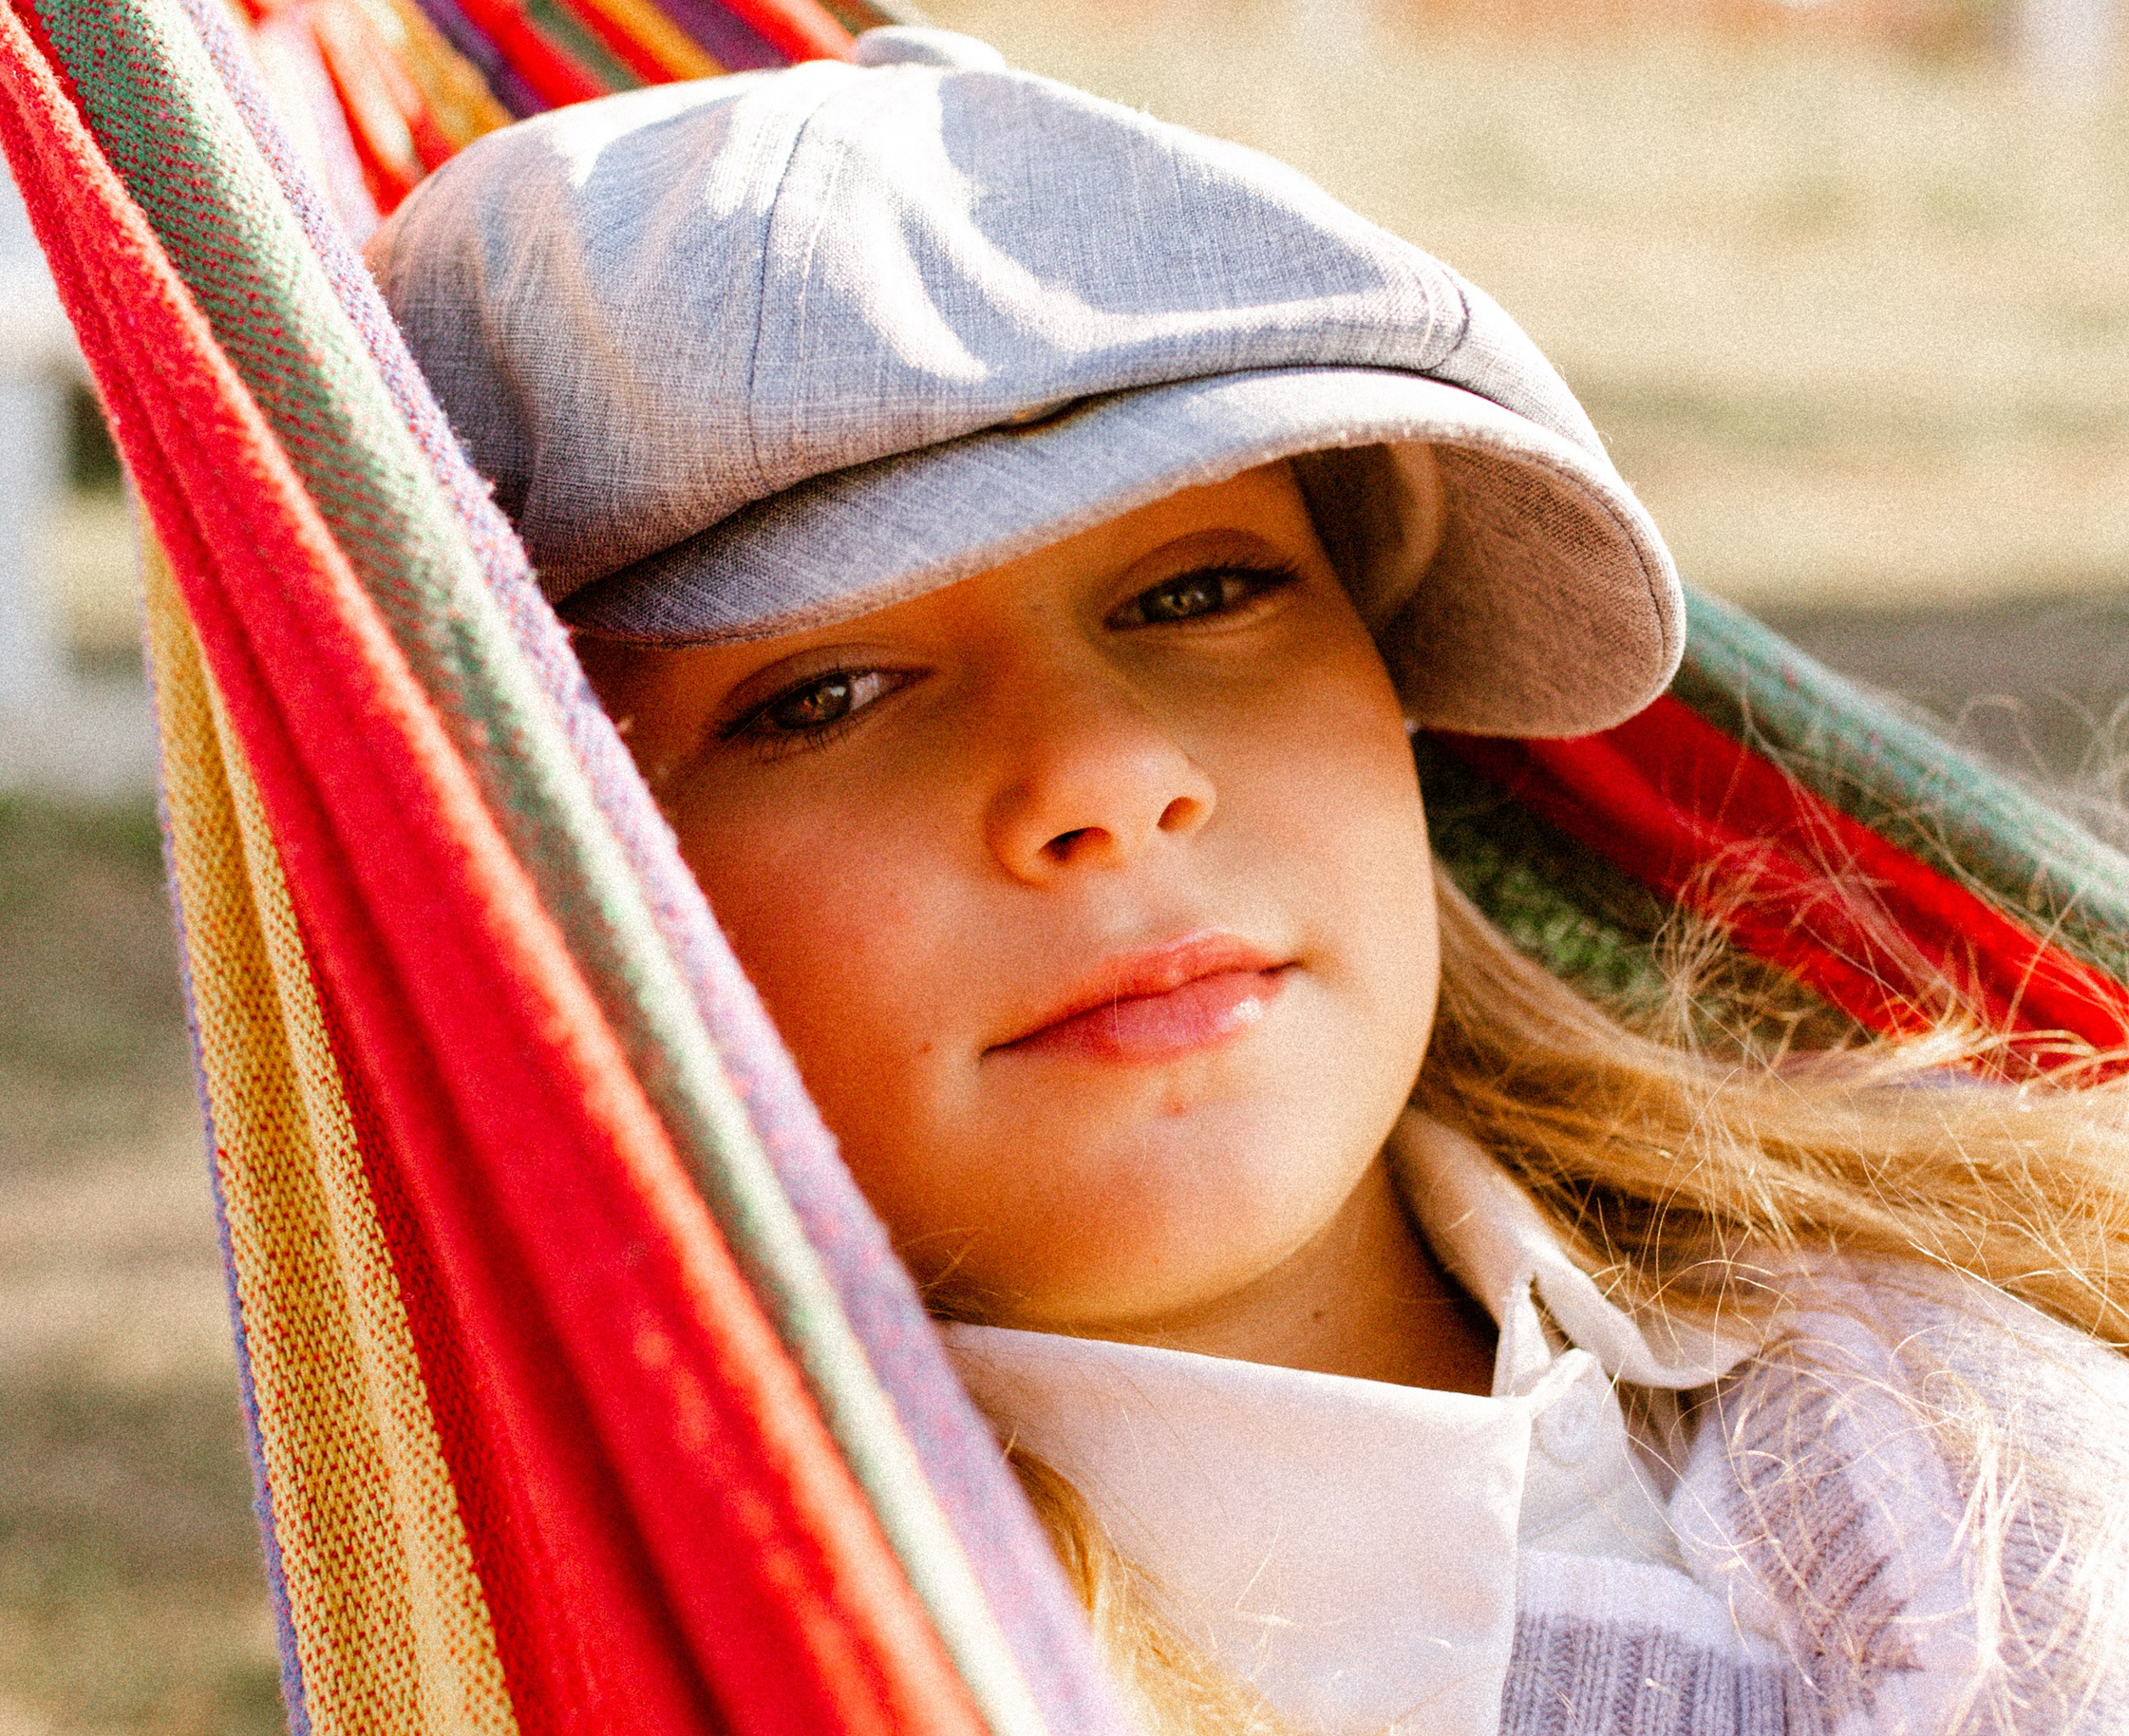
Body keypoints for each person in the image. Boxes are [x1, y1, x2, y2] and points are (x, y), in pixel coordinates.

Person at [369, 28, 2129, 1734]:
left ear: (1394, 700)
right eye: (819, 698)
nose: (1116, 780)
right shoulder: (705, 1667)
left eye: (1201, 591)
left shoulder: (1968, 1417)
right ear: (549, 902)